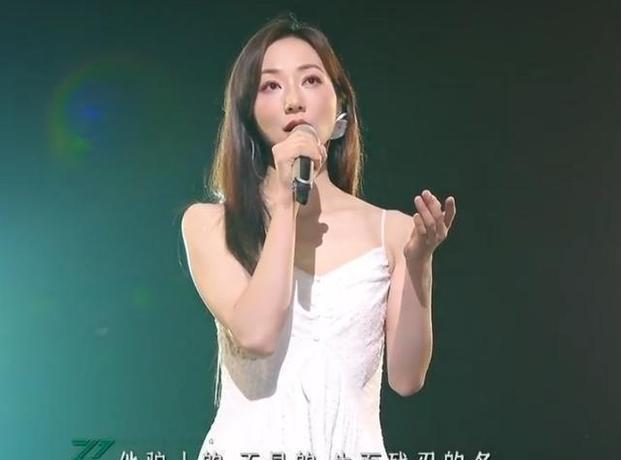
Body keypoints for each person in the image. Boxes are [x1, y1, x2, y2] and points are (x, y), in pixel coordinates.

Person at [181, 13, 457, 460]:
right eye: (271, 86)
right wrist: (287, 204)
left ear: (340, 104)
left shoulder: (392, 229)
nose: (294, 101)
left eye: (310, 80)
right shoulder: (210, 224)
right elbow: (257, 334)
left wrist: (420, 263)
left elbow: (407, 379)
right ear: (248, 112)